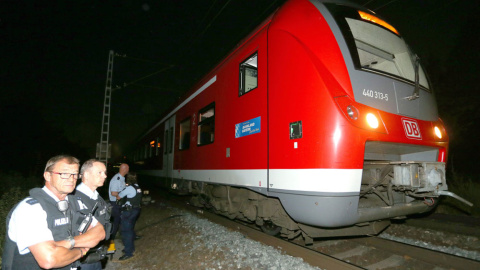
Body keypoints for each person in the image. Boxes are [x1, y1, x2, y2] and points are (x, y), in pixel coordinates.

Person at [2, 155, 105, 270]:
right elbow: (49, 259)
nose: (71, 179)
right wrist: (81, 250)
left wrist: (69, 243)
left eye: (74, 174)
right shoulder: (30, 209)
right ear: (48, 176)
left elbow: (100, 232)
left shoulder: (75, 202)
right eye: (64, 174)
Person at [75, 159, 112, 270]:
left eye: (105, 173)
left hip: (97, 257)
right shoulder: (74, 199)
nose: (104, 176)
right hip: (82, 260)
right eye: (99, 172)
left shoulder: (97, 197)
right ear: (86, 175)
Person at [117, 172, 142, 261]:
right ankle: (130, 248)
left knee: (125, 231)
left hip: (129, 211)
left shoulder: (130, 188)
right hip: (136, 210)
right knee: (130, 229)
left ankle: (128, 252)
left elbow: (119, 196)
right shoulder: (137, 187)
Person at [108, 163, 129, 240]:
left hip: (119, 204)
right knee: (116, 222)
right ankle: (111, 239)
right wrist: (121, 196)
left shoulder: (121, 178)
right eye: (127, 169)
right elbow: (113, 193)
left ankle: (122, 236)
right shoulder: (116, 179)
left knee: (120, 221)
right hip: (115, 204)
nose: (128, 170)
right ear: (124, 169)